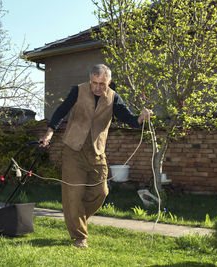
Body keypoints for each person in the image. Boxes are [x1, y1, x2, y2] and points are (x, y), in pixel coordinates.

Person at [39, 64, 152, 248]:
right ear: (90, 79)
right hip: (73, 149)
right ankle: (79, 236)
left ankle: (77, 217)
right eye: (95, 83)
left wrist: (141, 117)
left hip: (97, 151)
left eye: (102, 84)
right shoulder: (78, 91)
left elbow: (129, 118)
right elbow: (61, 111)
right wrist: (49, 133)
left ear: (109, 82)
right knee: (73, 193)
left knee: (101, 192)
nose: (98, 87)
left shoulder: (114, 98)